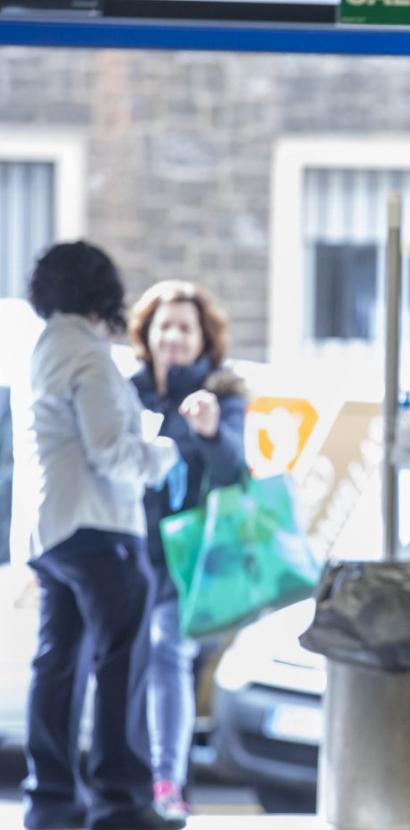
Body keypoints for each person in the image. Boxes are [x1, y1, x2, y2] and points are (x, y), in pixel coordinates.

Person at [24, 242, 183, 830]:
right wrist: (165, 452)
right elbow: (112, 451)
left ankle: (51, 803)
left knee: (58, 665)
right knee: (123, 665)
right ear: (101, 291)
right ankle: (121, 802)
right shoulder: (89, 357)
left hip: (54, 533)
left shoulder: (46, 347)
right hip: (101, 532)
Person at [129, 281, 247, 823]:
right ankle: (133, 782)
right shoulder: (125, 393)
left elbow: (234, 475)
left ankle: (166, 785)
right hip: (128, 558)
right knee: (126, 666)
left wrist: (211, 432)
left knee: (166, 649)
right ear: (147, 335)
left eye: (185, 326)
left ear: (204, 340)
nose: (173, 335)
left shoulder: (222, 395)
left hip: (194, 568)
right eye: (164, 325)